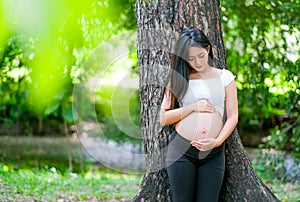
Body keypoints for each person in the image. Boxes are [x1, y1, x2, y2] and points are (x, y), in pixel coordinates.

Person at [160, 28, 238, 202]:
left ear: (208, 49)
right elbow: (164, 118)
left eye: (201, 56)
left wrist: (217, 141)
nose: (197, 62)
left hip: (213, 151)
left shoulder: (224, 77)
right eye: (191, 58)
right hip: (181, 150)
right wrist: (194, 106)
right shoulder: (178, 78)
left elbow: (233, 116)